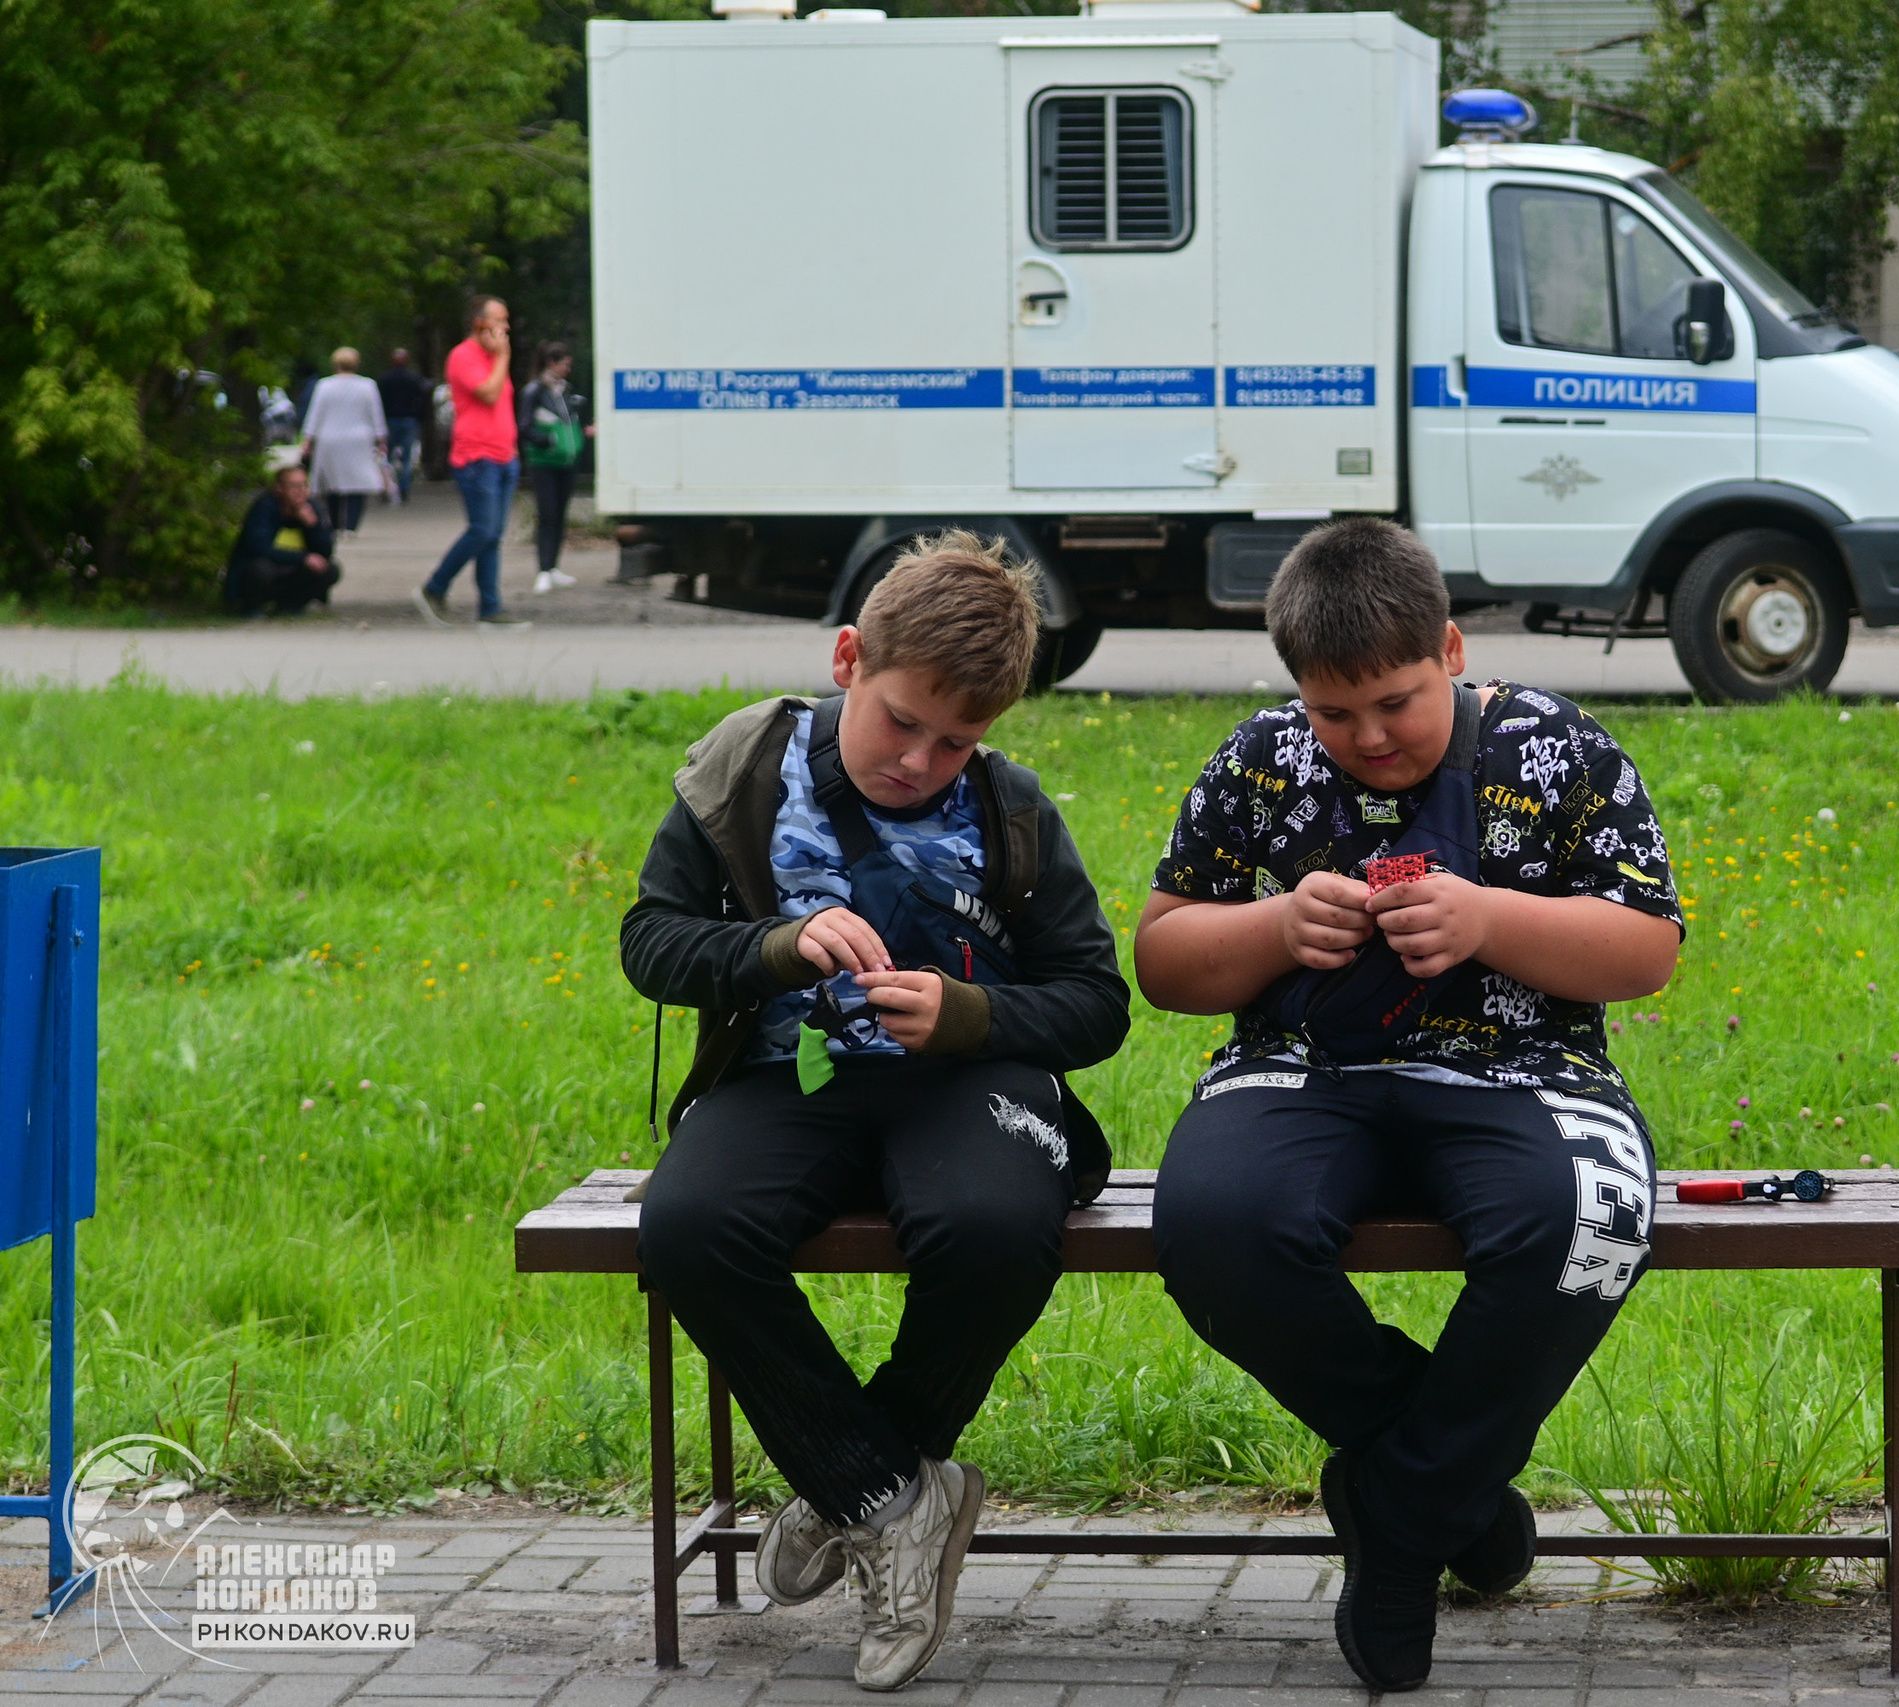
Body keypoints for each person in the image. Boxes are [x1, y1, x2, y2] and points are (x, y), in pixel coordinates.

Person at [1134, 519, 1683, 1692]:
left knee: (1583, 1221)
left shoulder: (1554, 747)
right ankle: (1449, 1499)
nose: (1367, 738)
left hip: (1526, 1072)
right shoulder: (1260, 760)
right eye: (1333, 714)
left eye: (1393, 702)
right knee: (1214, 1226)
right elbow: (1165, 959)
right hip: (1298, 1073)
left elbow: (1645, 951)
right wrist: (1275, 928)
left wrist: (1489, 920)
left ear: (1448, 648)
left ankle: (1393, 1521)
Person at [621, 533, 1129, 1693]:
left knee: (995, 1227)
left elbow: (1097, 1005)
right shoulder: (741, 770)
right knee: (689, 1229)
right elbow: (649, 943)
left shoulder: (1011, 812)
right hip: (784, 1080)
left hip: (969, 1089)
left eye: (958, 741)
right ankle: (892, 1501)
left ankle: (856, 1477)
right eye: (901, 720)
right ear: (849, 657)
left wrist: (970, 1018)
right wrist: (773, 946)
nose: (920, 759)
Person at [416, 296, 527, 627]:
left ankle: (490, 608)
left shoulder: (494, 359)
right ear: (480, 324)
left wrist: (511, 446)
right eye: (500, 320)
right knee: (482, 530)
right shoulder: (464, 357)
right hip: (477, 457)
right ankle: (434, 588)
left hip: (503, 455)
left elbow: (500, 406)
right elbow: (488, 394)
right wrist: (504, 357)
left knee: (493, 535)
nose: (506, 328)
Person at [518, 341, 592, 593]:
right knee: (547, 514)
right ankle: (543, 569)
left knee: (560, 514)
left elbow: (571, 419)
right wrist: (549, 441)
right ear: (551, 363)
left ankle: (553, 566)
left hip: (567, 461)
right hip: (544, 462)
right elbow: (525, 427)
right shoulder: (535, 391)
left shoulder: (565, 391)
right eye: (565, 364)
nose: (568, 369)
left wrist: (581, 434)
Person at [223, 466, 342, 617]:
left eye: (304, 485)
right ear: (279, 488)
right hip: (266, 571)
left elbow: (326, 551)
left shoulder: (312, 509)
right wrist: (302, 558)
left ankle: (291, 606)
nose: (301, 491)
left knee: (330, 569)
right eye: (294, 486)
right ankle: (251, 607)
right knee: (259, 569)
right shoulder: (264, 509)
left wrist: (313, 527)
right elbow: (258, 548)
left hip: (294, 573)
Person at [299, 347, 388, 535]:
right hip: (359, 439)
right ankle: (351, 526)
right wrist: (381, 438)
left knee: (332, 481)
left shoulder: (324, 385)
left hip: (329, 438)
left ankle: (335, 524)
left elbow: (315, 414)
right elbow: (376, 414)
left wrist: (308, 440)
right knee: (357, 481)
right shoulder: (367, 385)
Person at [379, 349, 429, 503]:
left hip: (390, 420)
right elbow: (423, 400)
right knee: (407, 458)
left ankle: (388, 487)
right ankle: (404, 488)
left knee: (386, 457)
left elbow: (380, 402)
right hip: (409, 420)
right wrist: (419, 417)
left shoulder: (385, 380)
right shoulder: (414, 379)